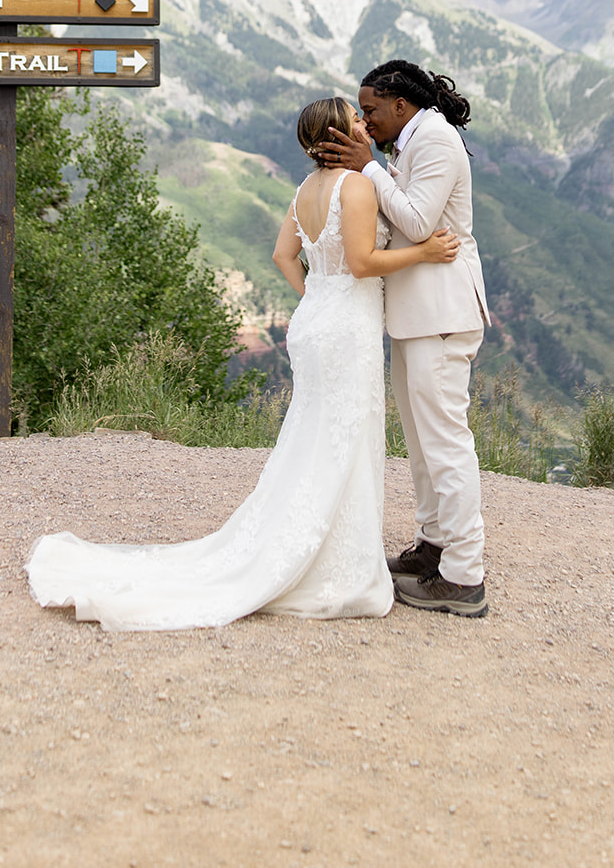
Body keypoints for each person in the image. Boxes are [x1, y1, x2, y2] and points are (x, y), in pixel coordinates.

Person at [25, 96, 459, 631]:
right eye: (354, 118)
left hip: (317, 320)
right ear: (338, 134)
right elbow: (365, 263)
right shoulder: (358, 185)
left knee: (315, 436)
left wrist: (318, 296)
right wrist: (422, 253)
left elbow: (282, 256)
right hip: (348, 329)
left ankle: (316, 546)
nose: (364, 125)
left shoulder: (305, 191)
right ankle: (340, 563)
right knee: (346, 438)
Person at [318, 60, 490, 619]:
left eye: (369, 110)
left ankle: (465, 577)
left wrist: (369, 169)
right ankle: (433, 547)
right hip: (415, 315)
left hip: (441, 311)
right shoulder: (409, 142)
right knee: (421, 443)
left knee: (444, 442)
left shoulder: (436, 139)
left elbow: (417, 222)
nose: (365, 122)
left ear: (399, 103)